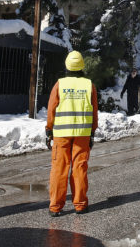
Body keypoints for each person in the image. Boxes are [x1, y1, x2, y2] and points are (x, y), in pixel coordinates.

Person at [45, 50, 98, 217]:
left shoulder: (59, 84)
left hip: (61, 134)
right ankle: (80, 205)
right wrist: (92, 133)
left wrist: (49, 130)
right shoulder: (89, 85)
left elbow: (51, 109)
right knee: (79, 168)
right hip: (82, 134)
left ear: (67, 65)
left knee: (59, 169)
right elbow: (94, 112)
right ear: (82, 66)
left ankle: (55, 207)